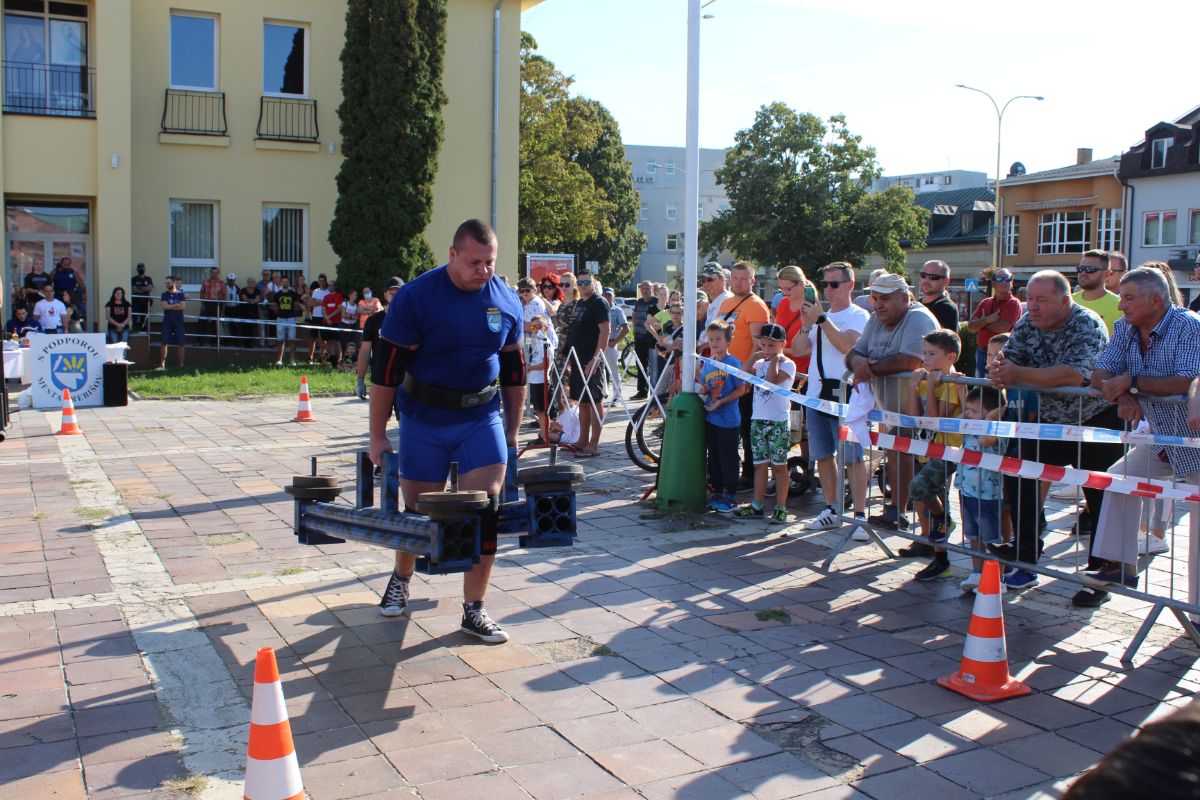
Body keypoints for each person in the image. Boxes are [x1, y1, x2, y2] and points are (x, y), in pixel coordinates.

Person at [368, 219, 524, 644]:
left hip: (481, 417)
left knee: (485, 509)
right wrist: (377, 435)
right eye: (474, 262)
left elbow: (514, 373)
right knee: (419, 511)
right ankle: (402, 577)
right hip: (424, 418)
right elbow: (386, 372)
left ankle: (474, 608)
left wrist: (512, 432)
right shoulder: (417, 298)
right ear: (453, 254)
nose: (484, 271)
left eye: (490, 262)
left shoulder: (506, 300)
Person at [988, 270, 1121, 598]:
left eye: (1041, 300)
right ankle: (1025, 555)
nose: (1033, 306)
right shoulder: (1026, 322)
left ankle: (1100, 577)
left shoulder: (1086, 323)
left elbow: (1073, 375)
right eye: (1030, 298)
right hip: (1050, 420)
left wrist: (1018, 373)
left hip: (1096, 419)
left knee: (1099, 497)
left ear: (1065, 301)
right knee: (1018, 471)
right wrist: (1000, 369)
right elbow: (1010, 360)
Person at [1083, 268, 1200, 610]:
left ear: (1156, 300)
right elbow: (1100, 373)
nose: (1121, 305)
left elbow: (1187, 379)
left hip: (1195, 441)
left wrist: (1131, 382)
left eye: (1128, 298)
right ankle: (1118, 565)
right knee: (1119, 479)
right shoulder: (1125, 328)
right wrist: (1123, 393)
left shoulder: (1189, 326)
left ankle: (1197, 613)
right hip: (1164, 440)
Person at [845, 273, 939, 530]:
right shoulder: (876, 319)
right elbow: (853, 354)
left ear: (904, 298)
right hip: (893, 408)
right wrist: (859, 363)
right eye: (875, 298)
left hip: (924, 410)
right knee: (897, 453)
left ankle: (923, 528)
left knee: (920, 465)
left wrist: (867, 369)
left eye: (884, 298)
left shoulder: (918, 318)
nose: (877, 304)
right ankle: (900, 513)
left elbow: (910, 360)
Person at [792, 262, 871, 538]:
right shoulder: (819, 317)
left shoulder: (858, 315)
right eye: (825, 284)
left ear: (850, 285)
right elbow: (798, 350)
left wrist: (823, 320)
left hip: (846, 396)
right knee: (823, 454)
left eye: (834, 284)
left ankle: (859, 515)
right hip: (817, 395)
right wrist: (806, 326)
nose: (828, 290)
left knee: (852, 457)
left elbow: (847, 346)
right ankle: (831, 509)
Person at [905, 329, 967, 581]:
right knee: (928, 501)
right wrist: (913, 388)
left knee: (920, 488)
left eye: (932, 354)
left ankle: (944, 520)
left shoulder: (952, 383)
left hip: (947, 450)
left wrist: (931, 387)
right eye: (925, 353)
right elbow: (914, 417)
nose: (925, 358)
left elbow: (934, 420)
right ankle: (941, 560)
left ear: (950, 357)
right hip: (926, 447)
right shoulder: (925, 378)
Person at [733, 324, 797, 524]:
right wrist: (754, 356)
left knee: (779, 467)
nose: (767, 350)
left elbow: (770, 382)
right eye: (764, 345)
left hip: (778, 422)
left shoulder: (787, 364)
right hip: (758, 420)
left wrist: (775, 360)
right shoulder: (760, 362)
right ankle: (757, 506)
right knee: (759, 465)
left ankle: (781, 507)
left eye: (772, 345)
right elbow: (741, 374)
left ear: (782, 345)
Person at [719, 262, 771, 488]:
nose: (738, 283)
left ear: (752, 281)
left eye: (743, 278)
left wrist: (745, 375)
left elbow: (758, 347)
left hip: (744, 377)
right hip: (724, 374)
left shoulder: (756, 306)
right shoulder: (726, 303)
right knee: (729, 426)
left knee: (748, 427)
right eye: (735, 278)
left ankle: (750, 474)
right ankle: (728, 470)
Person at [956, 387, 1008, 592]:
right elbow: (957, 421)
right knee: (973, 535)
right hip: (967, 489)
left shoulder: (996, 430)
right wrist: (964, 399)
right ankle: (977, 572)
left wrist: (993, 417)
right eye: (968, 410)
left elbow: (986, 441)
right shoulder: (970, 425)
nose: (968, 414)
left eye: (974, 411)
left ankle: (998, 578)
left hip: (988, 494)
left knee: (991, 538)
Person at [697, 320, 744, 513]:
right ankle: (717, 492)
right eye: (711, 339)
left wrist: (722, 401)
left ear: (728, 341)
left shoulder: (734, 363)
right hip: (712, 418)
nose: (714, 343)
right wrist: (704, 390)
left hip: (729, 420)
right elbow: (706, 386)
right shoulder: (708, 362)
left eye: (718, 339)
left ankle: (730, 496)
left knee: (728, 458)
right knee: (714, 457)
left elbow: (741, 389)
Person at [564, 269, 610, 457]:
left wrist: (596, 359)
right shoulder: (580, 303)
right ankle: (582, 440)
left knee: (594, 400)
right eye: (580, 283)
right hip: (577, 359)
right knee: (582, 401)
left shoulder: (599, 303)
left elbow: (605, 331)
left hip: (591, 360)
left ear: (593, 282)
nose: (583, 286)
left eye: (587, 282)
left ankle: (593, 444)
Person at [968, 267, 1022, 377]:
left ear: (1012, 282)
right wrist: (988, 319)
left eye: (1007, 279)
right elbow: (971, 326)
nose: (1004, 282)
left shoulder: (1013, 303)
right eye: (999, 279)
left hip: (1003, 355)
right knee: (980, 385)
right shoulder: (985, 302)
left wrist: (981, 322)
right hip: (982, 352)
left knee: (998, 385)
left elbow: (1002, 328)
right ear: (993, 283)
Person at [356, 277, 402, 399]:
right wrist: (360, 379)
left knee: (402, 412)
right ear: (385, 295)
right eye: (392, 294)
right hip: (380, 377)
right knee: (380, 412)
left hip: (404, 377)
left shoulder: (411, 319)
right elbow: (365, 351)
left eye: (399, 294)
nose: (396, 297)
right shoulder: (373, 321)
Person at [1072, 249, 1121, 335]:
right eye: (1080, 269)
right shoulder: (1068, 302)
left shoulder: (1120, 306)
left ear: (1107, 273)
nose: (1083, 273)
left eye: (1090, 269)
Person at [525, 313, 558, 441]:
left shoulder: (545, 343)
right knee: (539, 410)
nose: (535, 329)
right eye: (533, 327)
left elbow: (545, 364)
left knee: (543, 411)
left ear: (545, 327)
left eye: (538, 326)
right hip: (534, 380)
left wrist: (530, 368)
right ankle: (543, 434)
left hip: (541, 381)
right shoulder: (536, 343)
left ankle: (545, 436)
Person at [630, 280, 659, 400]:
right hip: (639, 338)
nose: (645, 291)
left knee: (654, 368)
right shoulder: (639, 302)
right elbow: (634, 315)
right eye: (643, 288)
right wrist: (635, 328)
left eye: (648, 288)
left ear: (652, 289)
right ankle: (642, 391)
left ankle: (655, 393)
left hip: (651, 340)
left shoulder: (656, 302)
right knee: (640, 366)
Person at [602, 286, 628, 403]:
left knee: (614, 370)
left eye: (609, 295)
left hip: (611, 343)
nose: (607, 297)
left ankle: (617, 396)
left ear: (613, 297)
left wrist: (615, 342)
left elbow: (626, 328)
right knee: (599, 369)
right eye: (605, 295)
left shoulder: (617, 311)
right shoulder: (599, 309)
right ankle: (602, 392)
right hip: (599, 344)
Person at [917, 259, 959, 331]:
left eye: (933, 277)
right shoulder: (917, 304)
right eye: (923, 275)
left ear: (946, 281)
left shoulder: (946, 307)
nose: (926, 280)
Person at [699, 262, 732, 348]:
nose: (706, 284)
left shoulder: (727, 300)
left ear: (722, 279)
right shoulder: (715, 302)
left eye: (710, 279)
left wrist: (700, 348)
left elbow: (725, 335)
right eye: (703, 281)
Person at [157, 276, 187, 369]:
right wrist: (176, 305)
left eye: (169, 283)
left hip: (179, 322)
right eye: (166, 283)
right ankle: (162, 365)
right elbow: (164, 307)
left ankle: (181, 365)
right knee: (164, 343)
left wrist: (170, 306)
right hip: (167, 322)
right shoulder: (164, 294)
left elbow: (183, 307)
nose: (167, 284)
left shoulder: (180, 294)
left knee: (181, 343)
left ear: (174, 282)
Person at [272, 275, 302, 366]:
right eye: (283, 281)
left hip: (291, 319)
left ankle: (292, 360)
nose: (285, 283)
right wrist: (280, 313)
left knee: (292, 340)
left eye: (286, 281)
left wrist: (292, 313)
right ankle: (279, 360)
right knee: (280, 340)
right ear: (281, 282)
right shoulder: (277, 294)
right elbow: (274, 306)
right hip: (280, 319)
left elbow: (297, 306)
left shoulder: (293, 294)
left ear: (288, 282)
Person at [320, 279, 344, 367]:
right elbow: (323, 309)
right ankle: (333, 361)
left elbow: (339, 309)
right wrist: (326, 318)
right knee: (329, 341)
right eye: (329, 285)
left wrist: (329, 317)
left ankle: (339, 361)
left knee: (336, 342)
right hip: (327, 322)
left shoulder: (339, 296)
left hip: (336, 322)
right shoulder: (326, 297)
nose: (330, 287)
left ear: (335, 286)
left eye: (331, 285)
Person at [197, 266, 224, 346]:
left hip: (217, 304)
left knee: (215, 323)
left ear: (218, 273)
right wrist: (202, 304)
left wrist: (223, 307)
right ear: (210, 273)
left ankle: (214, 342)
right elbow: (202, 293)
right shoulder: (205, 281)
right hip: (207, 303)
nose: (215, 274)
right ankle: (199, 341)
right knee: (202, 322)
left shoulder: (222, 282)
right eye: (213, 272)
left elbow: (224, 295)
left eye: (216, 272)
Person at [309, 273, 330, 363]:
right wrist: (322, 302)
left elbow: (328, 304)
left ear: (325, 281)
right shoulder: (315, 291)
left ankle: (321, 357)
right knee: (312, 338)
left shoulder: (328, 292)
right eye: (320, 281)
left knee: (323, 339)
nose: (321, 282)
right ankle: (310, 357)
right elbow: (311, 303)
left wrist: (317, 301)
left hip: (324, 317)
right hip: (315, 316)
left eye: (323, 281)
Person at [239, 276, 264, 347]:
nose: (251, 283)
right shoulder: (243, 290)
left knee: (254, 328)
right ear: (247, 282)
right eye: (249, 282)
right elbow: (244, 298)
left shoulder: (257, 290)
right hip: (244, 311)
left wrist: (251, 301)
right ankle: (245, 344)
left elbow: (258, 298)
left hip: (254, 312)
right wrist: (252, 301)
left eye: (252, 282)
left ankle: (253, 343)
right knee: (245, 327)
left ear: (255, 283)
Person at [340, 289, 359, 367]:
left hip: (352, 326)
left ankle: (351, 360)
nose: (355, 296)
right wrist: (352, 316)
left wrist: (348, 315)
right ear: (350, 295)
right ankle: (342, 359)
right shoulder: (345, 303)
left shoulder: (356, 305)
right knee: (343, 343)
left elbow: (357, 317)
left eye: (356, 295)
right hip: (344, 325)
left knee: (351, 343)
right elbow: (343, 315)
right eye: (354, 295)